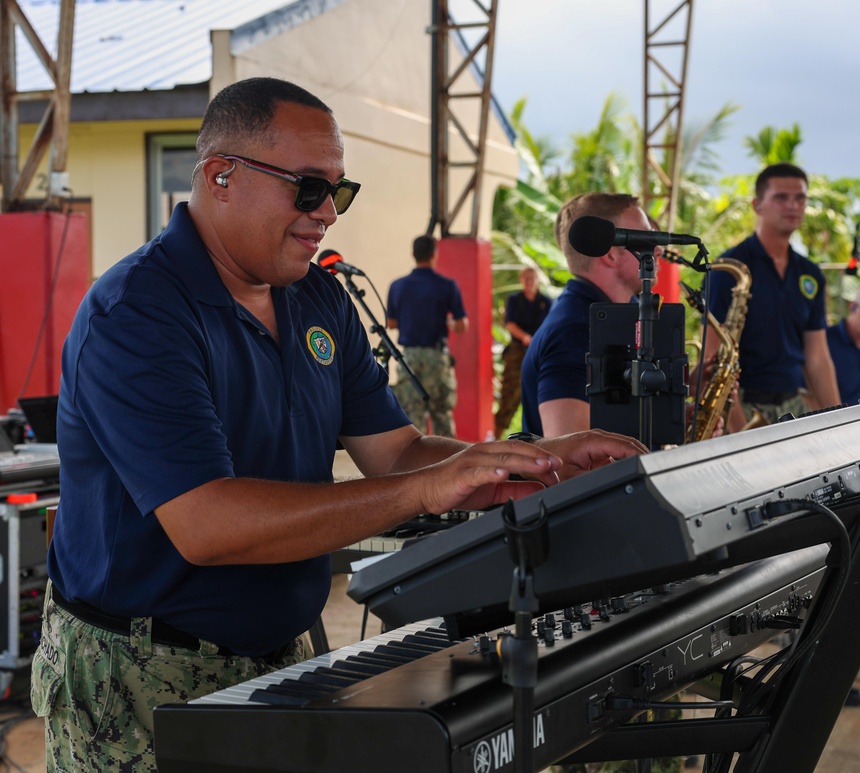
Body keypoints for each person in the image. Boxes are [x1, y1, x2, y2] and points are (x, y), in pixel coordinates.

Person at [30, 77, 647, 771]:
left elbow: (398, 451)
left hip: (279, 654)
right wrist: (426, 490)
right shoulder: (138, 313)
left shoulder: (315, 295)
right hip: (137, 675)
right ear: (220, 175)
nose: (327, 212)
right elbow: (209, 524)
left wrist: (528, 460)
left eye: (338, 192)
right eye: (307, 187)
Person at [705, 163, 841, 428]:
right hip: (741, 406)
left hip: (793, 405)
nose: (792, 205)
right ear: (757, 205)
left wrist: (839, 419)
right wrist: (740, 432)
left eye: (800, 198)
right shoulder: (728, 268)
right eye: (781, 197)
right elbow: (713, 357)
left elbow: (818, 357)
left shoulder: (810, 273)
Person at [520, 192, 658, 437]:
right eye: (645, 237)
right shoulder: (574, 331)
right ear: (611, 253)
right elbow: (569, 458)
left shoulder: (621, 311)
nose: (657, 249)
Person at [386, 235, 467, 437]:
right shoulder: (447, 285)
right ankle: (449, 463)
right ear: (434, 255)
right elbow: (461, 325)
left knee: (412, 416)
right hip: (436, 358)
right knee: (441, 414)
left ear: (413, 255)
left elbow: (391, 323)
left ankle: (417, 464)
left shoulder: (398, 286)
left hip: (409, 358)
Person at [494, 267, 551, 438]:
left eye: (532, 277)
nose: (529, 281)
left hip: (540, 351)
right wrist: (526, 337)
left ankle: (543, 437)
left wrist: (536, 341)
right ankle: (496, 438)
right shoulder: (514, 300)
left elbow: (550, 325)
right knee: (509, 394)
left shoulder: (546, 302)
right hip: (518, 351)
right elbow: (510, 323)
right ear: (521, 280)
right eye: (526, 278)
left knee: (540, 393)